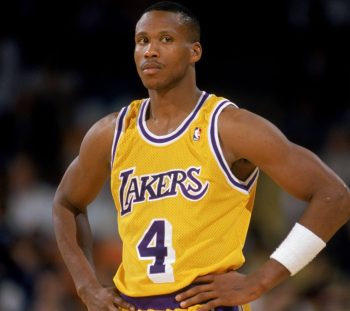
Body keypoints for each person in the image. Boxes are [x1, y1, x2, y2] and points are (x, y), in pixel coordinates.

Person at [52, 1, 350, 311]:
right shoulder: (111, 132)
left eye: (165, 39)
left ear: (195, 51)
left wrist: (261, 280)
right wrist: (86, 285)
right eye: (142, 40)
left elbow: (335, 196)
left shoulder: (229, 127)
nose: (150, 50)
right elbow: (66, 203)